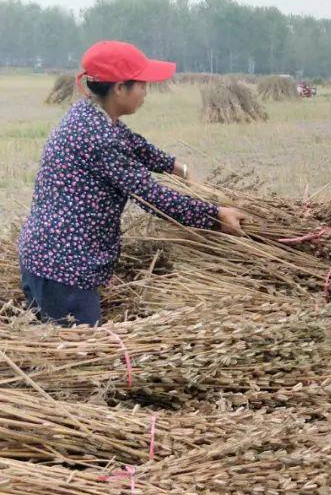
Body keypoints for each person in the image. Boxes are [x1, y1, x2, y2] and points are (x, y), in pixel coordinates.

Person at [18, 41, 246, 326]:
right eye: (142, 85)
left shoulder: (89, 115)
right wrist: (215, 215)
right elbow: (151, 197)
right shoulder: (100, 138)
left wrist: (181, 169)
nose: (146, 92)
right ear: (119, 88)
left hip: (46, 258)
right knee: (84, 357)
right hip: (64, 270)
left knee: (53, 351)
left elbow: (135, 145)